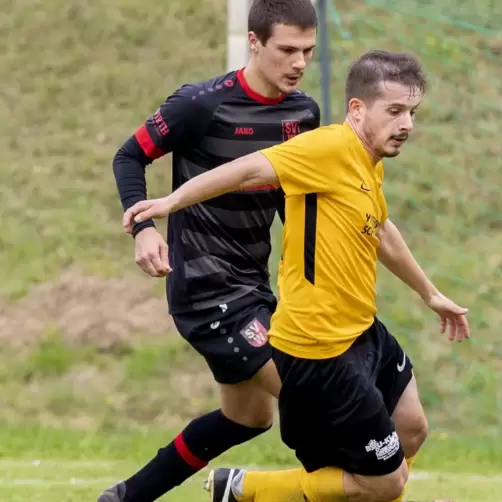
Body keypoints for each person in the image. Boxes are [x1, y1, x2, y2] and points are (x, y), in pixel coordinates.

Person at [122, 49, 470, 502]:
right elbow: (246, 170)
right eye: (395, 111)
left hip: (362, 332)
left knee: (412, 429)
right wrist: (170, 204)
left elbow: (380, 229)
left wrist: (430, 294)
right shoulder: (325, 148)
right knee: (385, 484)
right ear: (358, 110)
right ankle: (246, 489)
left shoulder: (368, 161)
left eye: (412, 112)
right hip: (321, 353)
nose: (407, 124)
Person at [97, 1, 323, 500]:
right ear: (255, 42)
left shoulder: (304, 113)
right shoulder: (200, 104)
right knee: (313, 401)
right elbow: (129, 156)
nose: (299, 62)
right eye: (287, 49)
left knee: (249, 417)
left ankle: (124, 497)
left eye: (308, 50)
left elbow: (294, 202)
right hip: (203, 286)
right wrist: (144, 228)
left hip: (253, 283)